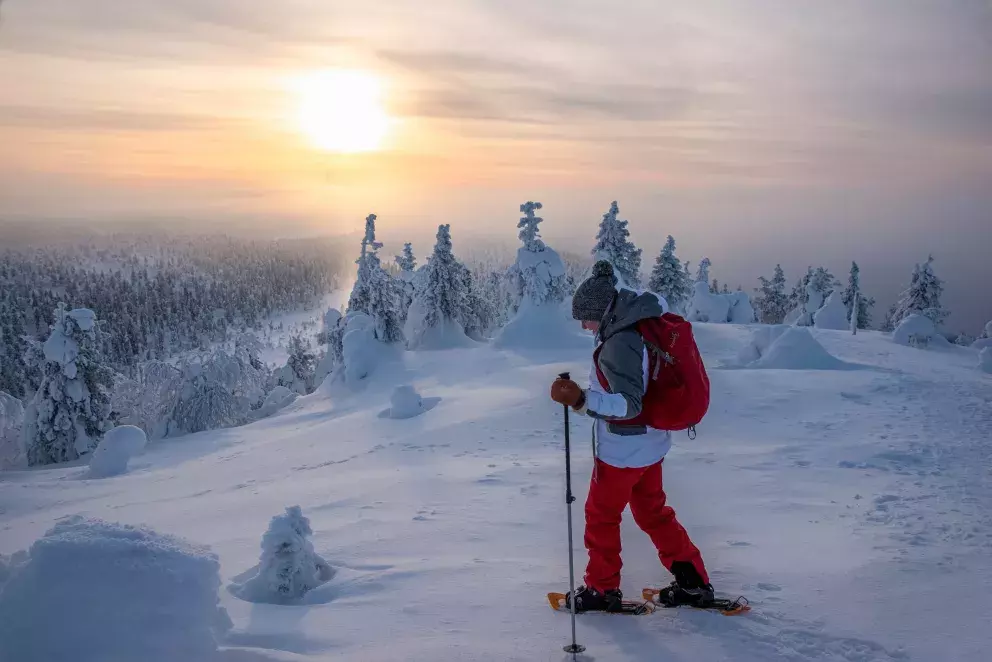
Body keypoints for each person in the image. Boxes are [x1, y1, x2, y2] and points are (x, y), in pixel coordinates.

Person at [550, 260, 713, 612]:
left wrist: (580, 399)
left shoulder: (619, 342)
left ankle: (601, 588)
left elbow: (627, 404)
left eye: (586, 317)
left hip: (623, 450)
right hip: (650, 445)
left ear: (602, 311)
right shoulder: (637, 324)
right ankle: (693, 582)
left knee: (601, 516)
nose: (583, 325)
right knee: (653, 512)